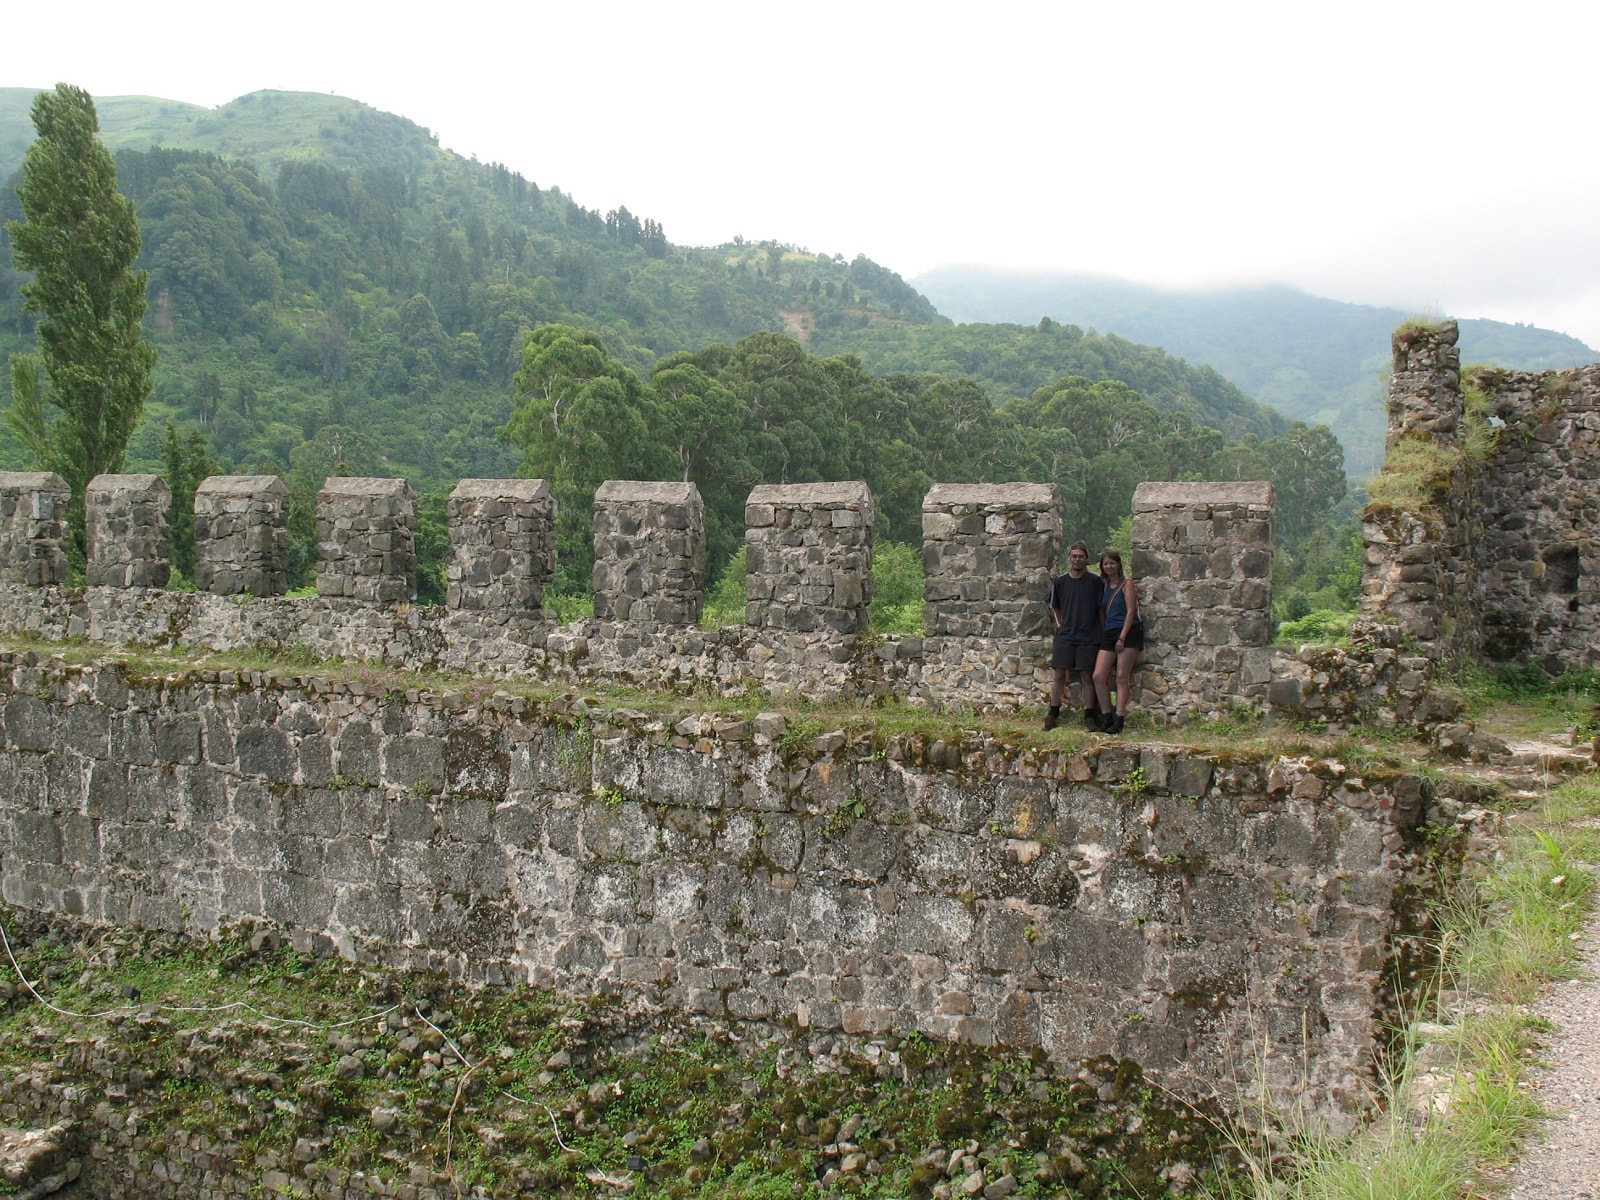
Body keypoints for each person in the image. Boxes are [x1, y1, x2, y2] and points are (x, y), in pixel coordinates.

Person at [1045, 541, 1104, 731]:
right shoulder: (1061, 582)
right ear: (1069, 558)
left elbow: (1101, 609)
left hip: (1088, 635)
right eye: (1074, 556)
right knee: (1060, 674)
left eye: (1081, 556)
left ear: (1087, 559)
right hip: (1066, 635)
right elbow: (1055, 606)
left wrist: (1102, 632)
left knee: (1087, 675)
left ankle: (1089, 716)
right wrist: (1061, 625)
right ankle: (1053, 713)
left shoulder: (1095, 582)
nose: (1077, 559)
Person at [1092, 549, 1142, 735]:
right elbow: (1102, 610)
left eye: (1112, 563)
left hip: (1128, 632)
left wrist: (1122, 636)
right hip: (1110, 631)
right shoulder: (1104, 585)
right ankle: (1107, 715)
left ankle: (1120, 717)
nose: (1109, 566)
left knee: (1121, 676)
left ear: (1118, 564)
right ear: (1102, 566)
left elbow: (1131, 611)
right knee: (1098, 676)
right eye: (1106, 564)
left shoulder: (1126, 584)